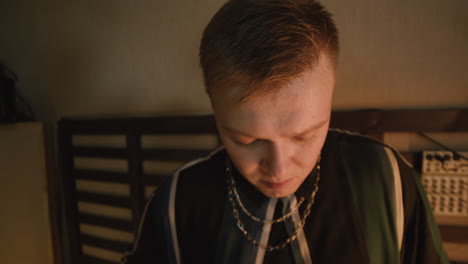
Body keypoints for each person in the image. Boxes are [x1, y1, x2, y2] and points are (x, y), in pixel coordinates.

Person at [122, 0, 449, 263]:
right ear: (214, 109)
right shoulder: (177, 202)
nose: (278, 168)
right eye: (246, 140)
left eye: (305, 136)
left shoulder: (387, 178)